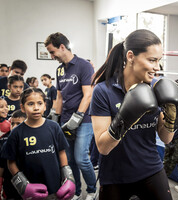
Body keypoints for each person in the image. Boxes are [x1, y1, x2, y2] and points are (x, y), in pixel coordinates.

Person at [90, 29, 178, 200]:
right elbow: (103, 147)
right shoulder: (103, 91)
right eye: (152, 60)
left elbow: (166, 138)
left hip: (151, 169)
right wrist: (126, 117)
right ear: (131, 56)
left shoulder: (156, 88)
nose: (157, 67)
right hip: (114, 175)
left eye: (159, 61)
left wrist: (172, 115)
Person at [45, 32, 97, 199]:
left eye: (52, 52)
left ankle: (91, 190)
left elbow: (88, 94)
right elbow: (59, 97)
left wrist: (77, 117)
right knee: (69, 160)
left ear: (62, 47)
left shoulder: (84, 65)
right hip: (65, 119)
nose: (52, 56)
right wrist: (53, 119)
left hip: (84, 120)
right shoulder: (59, 69)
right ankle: (75, 191)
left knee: (81, 158)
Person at [2, 88, 75, 199]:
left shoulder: (54, 127)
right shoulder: (16, 133)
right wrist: (23, 185)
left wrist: (68, 177)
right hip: (30, 189)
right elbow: (10, 162)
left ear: (45, 106)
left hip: (55, 186)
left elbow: (62, 152)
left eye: (39, 103)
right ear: (22, 107)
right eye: (30, 104)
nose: (36, 108)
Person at [0, 109, 26, 200]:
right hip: (10, 191)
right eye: (12, 124)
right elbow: (1, 168)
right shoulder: (5, 144)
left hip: (30, 190)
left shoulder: (35, 143)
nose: (14, 127)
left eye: (18, 124)